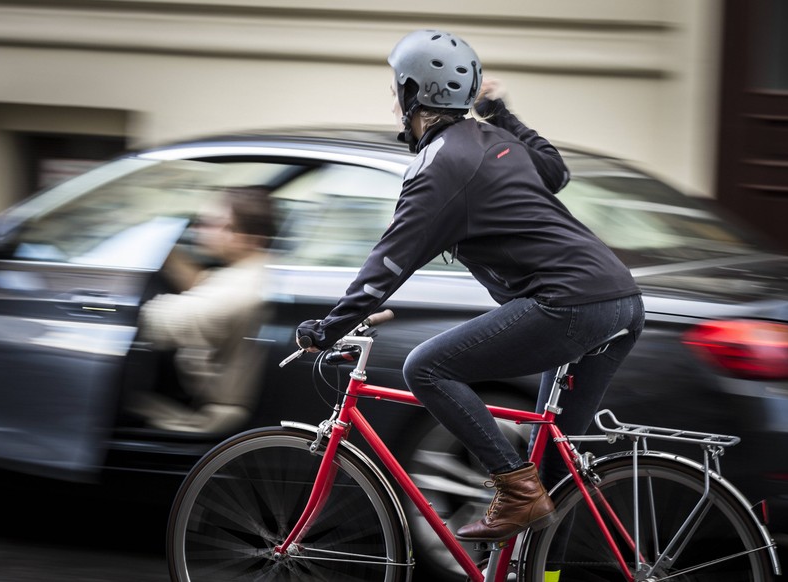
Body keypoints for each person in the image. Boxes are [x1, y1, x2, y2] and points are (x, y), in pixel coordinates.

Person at [295, 29, 644, 543]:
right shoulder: (492, 140)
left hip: (567, 303)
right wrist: (501, 112)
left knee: (427, 367)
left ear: (416, 93)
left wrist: (327, 328)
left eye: (396, 91)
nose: (393, 104)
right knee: (552, 477)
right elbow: (555, 171)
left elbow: (389, 263)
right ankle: (538, 556)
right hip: (619, 300)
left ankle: (515, 490)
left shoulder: (441, 167)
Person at [132, 185, 275, 435]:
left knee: (125, 402)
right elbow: (204, 285)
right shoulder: (253, 269)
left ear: (251, 238)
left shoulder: (237, 291)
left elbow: (158, 321)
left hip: (210, 418)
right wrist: (167, 255)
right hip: (220, 405)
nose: (199, 229)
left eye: (213, 224)